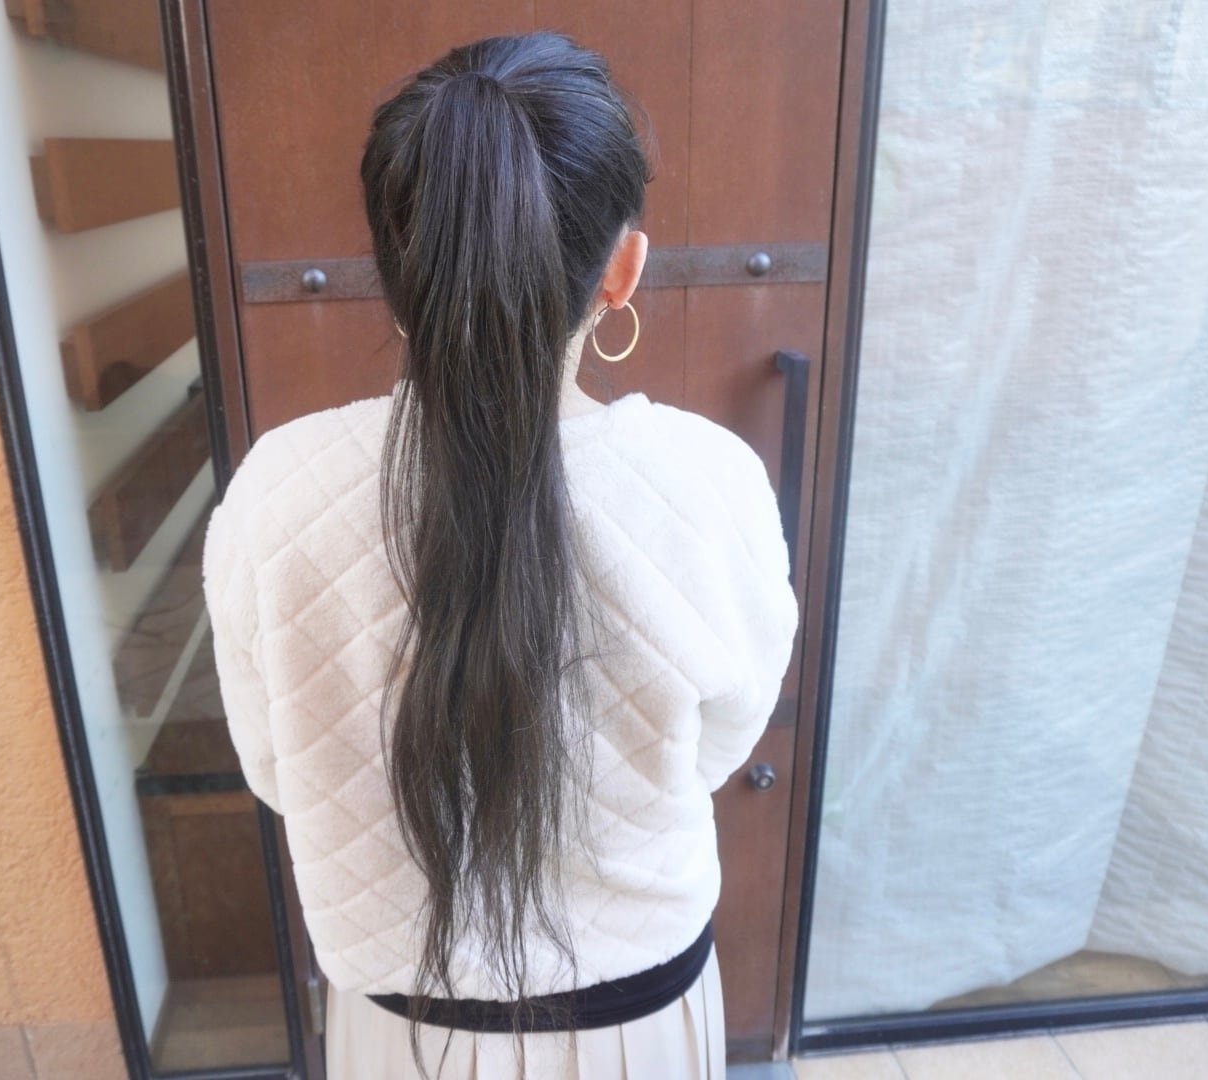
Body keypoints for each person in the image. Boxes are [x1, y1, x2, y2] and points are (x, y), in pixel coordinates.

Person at [202, 30, 799, 1080]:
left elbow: (275, 767)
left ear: (396, 271)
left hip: (399, 1033)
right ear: (623, 269)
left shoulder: (274, 489)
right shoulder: (709, 481)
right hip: (640, 1026)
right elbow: (716, 746)